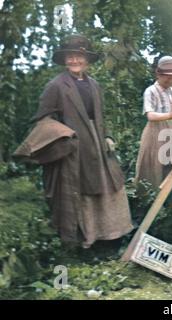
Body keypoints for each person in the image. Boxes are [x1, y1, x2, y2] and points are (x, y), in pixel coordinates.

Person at [16, 34, 133, 249]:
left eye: (79, 57)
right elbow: (42, 118)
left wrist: (107, 136)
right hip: (74, 147)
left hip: (97, 144)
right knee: (83, 190)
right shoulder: (56, 86)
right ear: (64, 60)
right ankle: (87, 239)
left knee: (110, 184)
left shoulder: (95, 85)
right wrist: (63, 134)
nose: (74, 61)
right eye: (70, 57)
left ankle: (111, 235)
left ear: (87, 60)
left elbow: (101, 116)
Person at [134, 56, 172, 189]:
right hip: (154, 134)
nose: (170, 81)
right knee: (151, 170)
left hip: (170, 133)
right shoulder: (151, 91)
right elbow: (151, 116)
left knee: (170, 167)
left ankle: (167, 204)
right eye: (167, 77)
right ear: (158, 74)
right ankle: (148, 200)